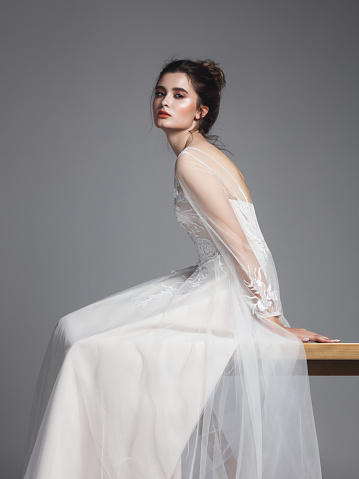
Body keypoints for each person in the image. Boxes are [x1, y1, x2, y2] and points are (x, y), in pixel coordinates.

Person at [22, 58, 340, 479]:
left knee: (86, 349)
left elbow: (246, 249)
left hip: (224, 292)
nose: (164, 102)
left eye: (178, 95)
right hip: (215, 281)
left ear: (201, 110)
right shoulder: (206, 155)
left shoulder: (192, 162)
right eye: (159, 92)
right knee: (73, 329)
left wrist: (273, 320)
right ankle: (221, 467)